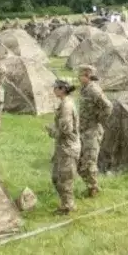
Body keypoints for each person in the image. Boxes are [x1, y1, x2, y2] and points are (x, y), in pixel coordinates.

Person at [77, 65, 113, 197]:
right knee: (80, 162)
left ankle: (93, 189)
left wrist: (99, 119)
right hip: (83, 130)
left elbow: (108, 106)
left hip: (92, 131)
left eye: (80, 74)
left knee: (89, 163)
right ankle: (90, 186)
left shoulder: (94, 90)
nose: (78, 77)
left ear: (87, 75)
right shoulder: (84, 89)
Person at [46, 79, 81, 215]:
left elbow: (66, 129)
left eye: (55, 88)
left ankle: (68, 206)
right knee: (56, 177)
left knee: (65, 179)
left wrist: (52, 132)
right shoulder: (65, 103)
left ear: (62, 90)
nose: (53, 90)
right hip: (63, 147)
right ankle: (65, 203)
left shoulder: (66, 106)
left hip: (68, 147)